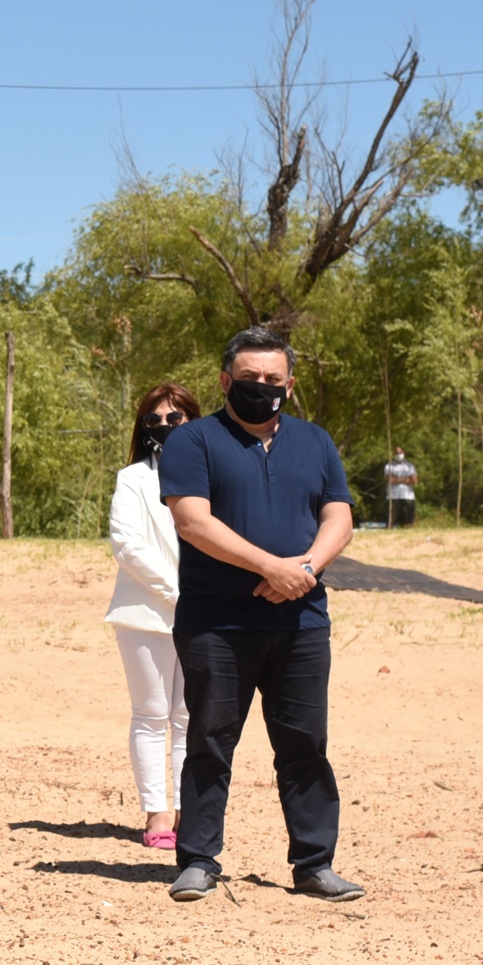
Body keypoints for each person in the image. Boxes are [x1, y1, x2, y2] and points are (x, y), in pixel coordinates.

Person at [158, 325, 362, 903]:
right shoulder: (193, 441)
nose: (262, 387)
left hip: (301, 623)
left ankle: (314, 864)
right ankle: (198, 860)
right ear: (226, 381)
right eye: (249, 379)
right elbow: (192, 520)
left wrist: (304, 570)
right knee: (210, 740)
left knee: (304, 744)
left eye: (273, 379)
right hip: (217, 623)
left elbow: (339, 517)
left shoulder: (316, 441)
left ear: (290, 385)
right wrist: (270, 567)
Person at [106, 384, 199, 850]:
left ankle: (188, 810)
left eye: (175, 418)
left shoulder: (210, 476)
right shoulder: (132, 479)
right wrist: (176, 592)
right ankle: (156, 813)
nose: (164, 426)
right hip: (144, 613)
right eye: (154, 420)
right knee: (151, 715)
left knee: (188, 717)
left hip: (204, 612)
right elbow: (126, 544)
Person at [384, 447, 417, 527]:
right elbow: (390, 480)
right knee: (391, 518)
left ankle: (410, 529)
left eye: (400, 453)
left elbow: (414, 480)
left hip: (408, 495)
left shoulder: (410, 466)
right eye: (397, 453)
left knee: (409, 518)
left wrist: (397, 479)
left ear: (403, 453)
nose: (399, 455)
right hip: (393, 495)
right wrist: (406, 479)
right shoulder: (389, 466)